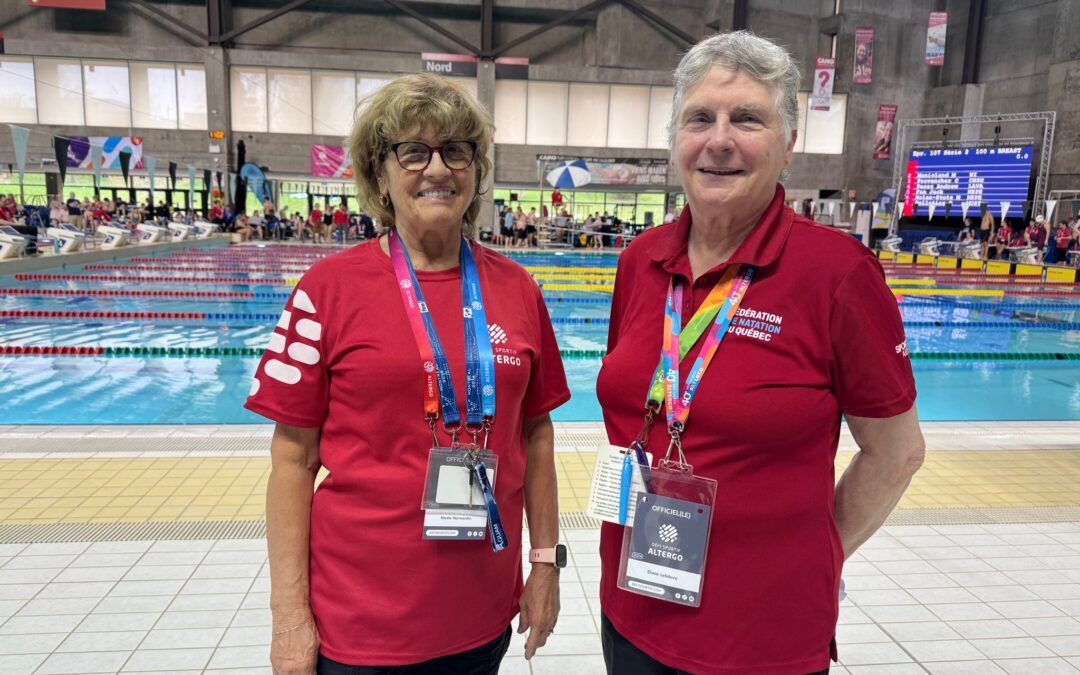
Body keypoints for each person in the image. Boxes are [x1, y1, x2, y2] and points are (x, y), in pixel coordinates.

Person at [596, 31, 924, 674]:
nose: (719, 140)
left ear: (788, 143)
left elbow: (898, 451)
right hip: (633, 608)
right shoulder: (641, 259)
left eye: (747, 118)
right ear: (675, 140)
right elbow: (645, 405)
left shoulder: (836, 273)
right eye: (700, 118)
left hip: (762, 633)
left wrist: (818, 551)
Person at [246, 73, 570, 675]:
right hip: (361, 623)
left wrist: (545, 562)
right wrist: (289, 616)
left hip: (480, 616)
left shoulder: (518, 289)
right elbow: (292, 462)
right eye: (414, 151)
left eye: (456, 150)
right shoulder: (327, 289)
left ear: (476, 169)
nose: (438, 169)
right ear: (380, 172)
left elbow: (536, 433)